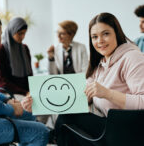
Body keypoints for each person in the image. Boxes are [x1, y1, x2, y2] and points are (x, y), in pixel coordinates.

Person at [51, 12, 144, 146]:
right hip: (111, 126)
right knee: (66, 118)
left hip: (130, 130)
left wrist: (108, 93)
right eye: (94, 36)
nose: (99, 41)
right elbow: (79, 95)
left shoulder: (132, 57)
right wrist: (39, 103)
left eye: (106, 34)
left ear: (117, 33)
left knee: (66, 119)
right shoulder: (100, 64)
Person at [0, 15, 49, 146]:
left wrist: (7, 100)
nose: (0, 39)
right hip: (7, 98)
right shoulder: (1, 51)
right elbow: (2, 84)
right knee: (41, 132)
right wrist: (11, 108)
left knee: (31, 114)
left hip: (10, 98)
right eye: (0, 34)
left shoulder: (24, 48)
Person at [0, 17, 33, 96]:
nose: (22, 37)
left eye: (24, 33)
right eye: (20, 33)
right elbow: (2, 81)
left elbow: (30, 75)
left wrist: (32, 91)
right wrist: (24, 93)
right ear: (12, 31)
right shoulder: (0, 50)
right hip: (8, 93)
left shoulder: (25, 48)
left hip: (26, 93)